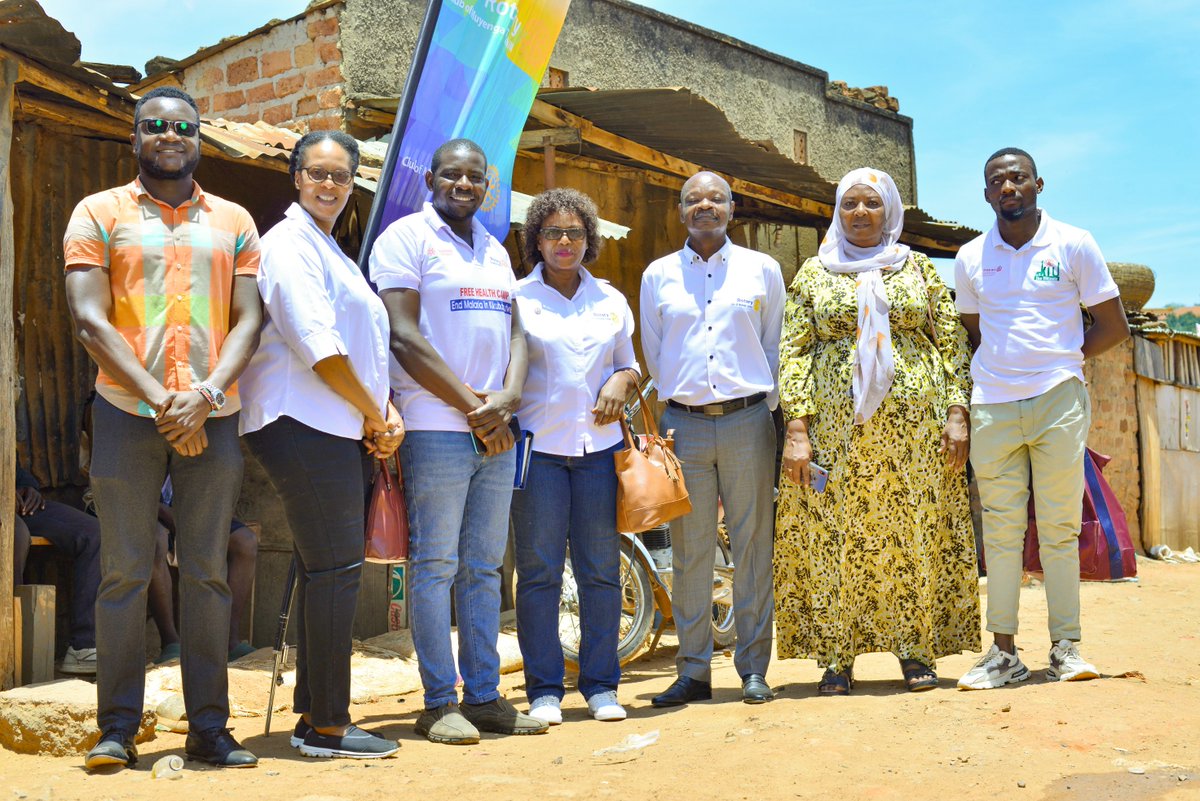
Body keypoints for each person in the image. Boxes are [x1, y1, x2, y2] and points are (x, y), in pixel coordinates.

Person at [64, 86, 263, 771]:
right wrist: (161, 401)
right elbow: (91, 320)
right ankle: (117, 727)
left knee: (206, 572)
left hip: (214, 413)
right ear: (135, 138)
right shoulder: (98, 213)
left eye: (183, 125)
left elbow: (251, 319)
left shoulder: (234, 219)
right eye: (156, 125)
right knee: (123, 571)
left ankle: (209, 727)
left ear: (199, 137)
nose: (170, 134)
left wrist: (202, 396)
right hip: (126, 411)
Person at [774, 167, 979, 695]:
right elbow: (793, 350)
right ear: (837, 212)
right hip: (836, 437)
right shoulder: (814, 274)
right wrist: (796, 427)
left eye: (871, 204)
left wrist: (958, 413)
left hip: (916, 436)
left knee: (912, 531)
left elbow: (952, 342)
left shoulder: (918, 271)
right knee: (835, 535)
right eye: (850, 205)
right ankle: (836, 658)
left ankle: (915, 651)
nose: (860, 213)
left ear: (890, 210)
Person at [370, 138, 545, 744]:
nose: (463, 185)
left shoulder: (496, 250)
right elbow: (403, 337)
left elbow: (519, 335)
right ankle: (439, 701)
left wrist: (510, 400)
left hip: (494, 432)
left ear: (487, 188)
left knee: (484, 568)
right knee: (436, 566)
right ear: (431, 180)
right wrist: (477, 409)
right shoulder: (405, 240)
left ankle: (487, 699)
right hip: (437, 428)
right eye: (452, 175)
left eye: (475, 177)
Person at [240, 130, 403, 759]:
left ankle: (316, 719)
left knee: (323, 569)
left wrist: (379, 410)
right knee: (335, 570)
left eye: (340, 175)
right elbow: (319, 346)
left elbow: (357, 349)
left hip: (337, 424)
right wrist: (375, 411)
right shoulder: (286, 245)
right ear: (296, 178)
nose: (329, 184)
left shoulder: (331, 248)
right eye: (318, 173)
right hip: (300, 420)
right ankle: (330, 727)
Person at [955, 148, 1129, 690]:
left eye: (1018, 178)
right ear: (986, 194)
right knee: (1001, 532)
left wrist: (1062, 361)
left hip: (1057, 399)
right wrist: (1008, 370)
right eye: (996, 181)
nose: (1008, 187)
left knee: (1057, 527)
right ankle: (1002, 653)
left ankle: (1066, 649)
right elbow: (975, 332)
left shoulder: (1074, 243)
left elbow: (1113, 324)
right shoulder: (969, 257)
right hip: (993, 404)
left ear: (1038, 185)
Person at [640, 170, 783, 707]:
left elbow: (772, 347)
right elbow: (655, 354)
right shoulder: (658, 274)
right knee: (690, 551)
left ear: (731, 208)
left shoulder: (761, 269)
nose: (706, 205)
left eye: (716, 198)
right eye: (694, 199)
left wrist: (762, 409)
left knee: (751, 547)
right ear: (680, 211)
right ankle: (693, 670)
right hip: (685, 427)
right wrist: (684, 401)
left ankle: (753, 667)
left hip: (748, 420)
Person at [510, 188, 639, 725]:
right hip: (538, 453)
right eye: (553, 233)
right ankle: (544, 688)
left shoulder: (610, 299)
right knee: (538, 574)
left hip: (598, 455)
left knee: (600, 572)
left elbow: (632, 367)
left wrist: (621, 382)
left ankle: (601, 685)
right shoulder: (516, 298)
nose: (565, 243)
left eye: (575, 234)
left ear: (590, 240)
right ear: (536, 240)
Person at [149, 478, 258, 664]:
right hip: (148, 510)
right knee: (155, 541)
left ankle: (228, 640)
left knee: (245, 542)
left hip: (196, 510)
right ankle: (170, 642)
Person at [12, 464, 101, 675]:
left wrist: (26, 485)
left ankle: (83, 648)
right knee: (14, 535)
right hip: (9, 514)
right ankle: (11, 650)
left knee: (93, 534)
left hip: (14, 502)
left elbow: (10, 463)